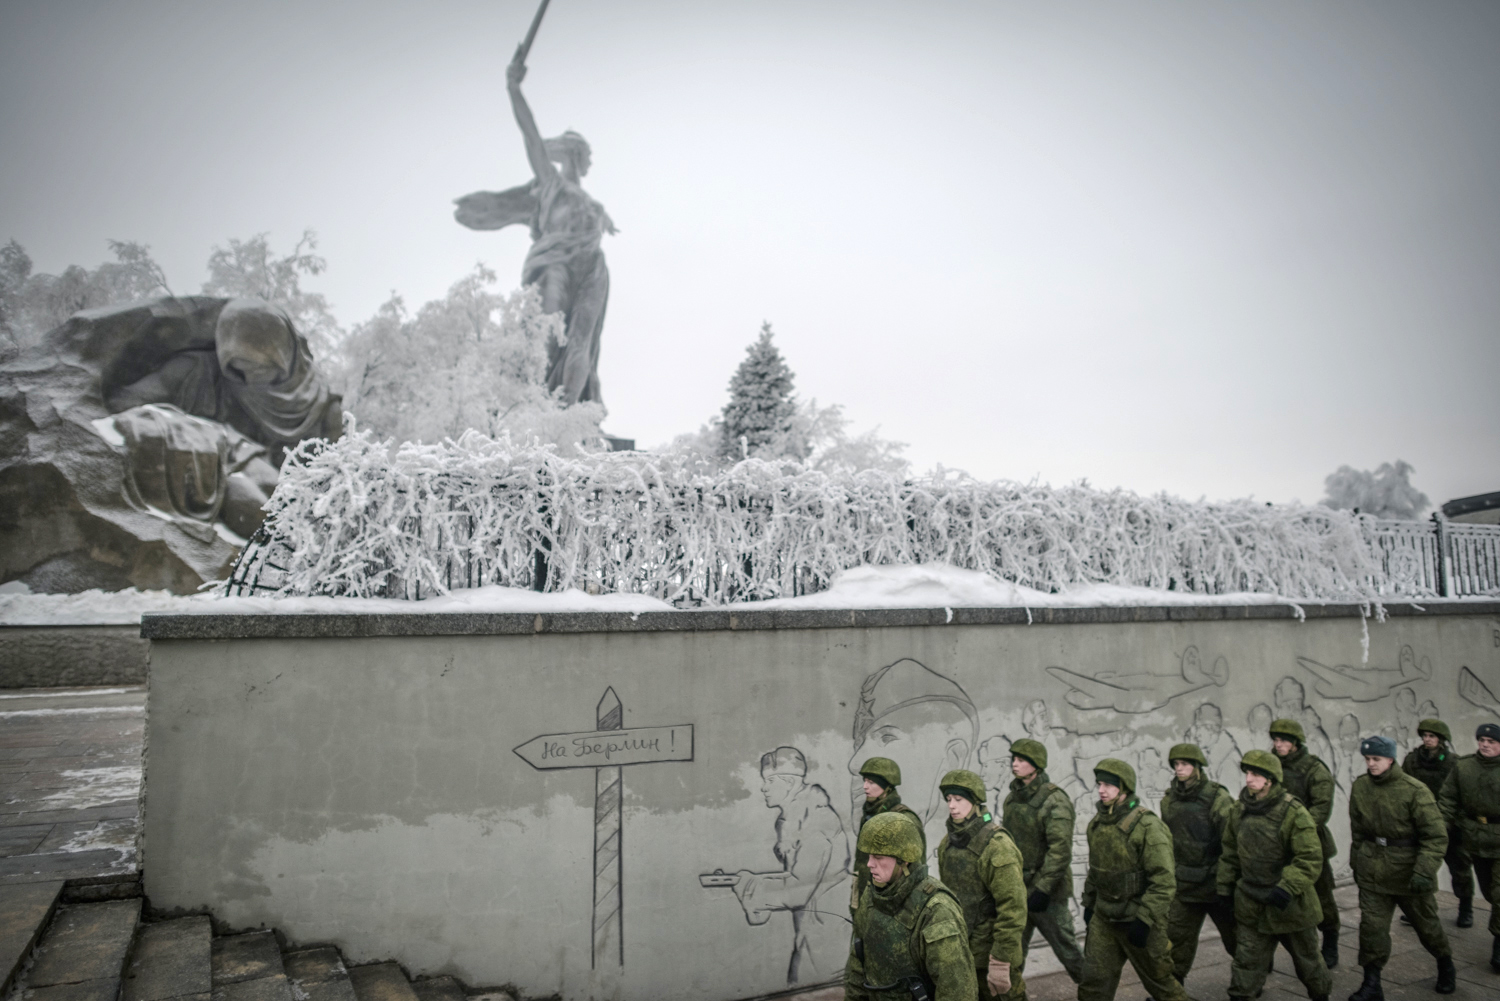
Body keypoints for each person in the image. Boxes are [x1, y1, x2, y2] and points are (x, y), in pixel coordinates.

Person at [714, 747, 851, 984]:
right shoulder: (793, 819)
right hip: (813, 924)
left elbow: (800, 887)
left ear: (788, 782)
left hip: (827, 929)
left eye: (769, 781)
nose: (763, 788)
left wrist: (751, 885)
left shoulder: (814, 819)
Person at [1347, 735, 1456, 1000]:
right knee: (1371, 928)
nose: (1371, 764)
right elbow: (1358, 830)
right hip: (1373, 869)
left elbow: (1436, 836)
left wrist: (1423, 871)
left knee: (1427, 927)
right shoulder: (1361, 786)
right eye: (1368, 759)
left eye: (1377, 759)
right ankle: (1372, 983)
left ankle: (1445, 963)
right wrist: (1357, 862)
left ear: (1391, 759)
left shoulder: (1414, 790)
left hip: (1408, 873)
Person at [1218, 750, 1331, 1001]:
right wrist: (1224, 888)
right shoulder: (1239, 810)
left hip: (1290, 905)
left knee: (1309, 963)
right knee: (1246, 964)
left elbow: (1310, 858)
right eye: (1247, 773)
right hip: (1251, 902)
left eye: (1256, 774)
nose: (1249, 779)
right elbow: (1230, 853)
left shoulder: (1293, 812)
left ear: (1270, 779)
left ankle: (1321, 996)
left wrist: (1287, 887)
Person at [1078, 758, 1187, 1001]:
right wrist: (1089, 904)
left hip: (1138, 919)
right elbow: (1095, 872)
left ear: (1124, 787)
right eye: (1099, 784)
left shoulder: (1148, 826)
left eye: (1108, 785)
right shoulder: (1097, 825)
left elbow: (1164, 880)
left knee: (1162, 984)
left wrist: (1145, 919)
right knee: (1092, 984)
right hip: (1105, 918)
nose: (1101, 790)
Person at [844, 812, 976, 1001]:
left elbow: (957, 990)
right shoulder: (871, 897)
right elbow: (857, 967)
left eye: (878, 857)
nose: (870, 864)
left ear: (903, 859)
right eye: (869, 856)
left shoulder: (936, 910)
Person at [935, 769, 1027, 1001]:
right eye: (949, 800)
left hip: (992, 954)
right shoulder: (947, 845)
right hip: (962, 953)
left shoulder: (997, 846)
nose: (952, 806)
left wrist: (1000, 961)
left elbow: (1013, 908)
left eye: (959, 799)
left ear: (975, 802)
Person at [1001, 738, 1085, 983]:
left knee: (1068, 951)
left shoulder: (1055, 800)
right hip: (1019, 890)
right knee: (1011, 954)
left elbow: (1060, 851)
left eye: (1021, 760)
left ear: (1036, 766)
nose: (1015, 764)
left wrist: (1043, 889)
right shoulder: (1012, 799)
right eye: (1013, 759)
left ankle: (1095, 993)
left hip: (1048, 895)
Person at [1160, 743, 1237, 986]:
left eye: (1185, 764)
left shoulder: (1218, 798)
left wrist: (1227, 882)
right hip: (1184, 885)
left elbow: (1232, 842)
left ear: (1197, 767)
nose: (1179, 769)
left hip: (1216, 884)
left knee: (1237, 939)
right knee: (1176, 940)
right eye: (1176, 765)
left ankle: (1249, 982)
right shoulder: (1169, 800)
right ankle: (1173, 989)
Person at [1270, 717, 1341, 968]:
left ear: (1296, 743)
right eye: (1276, 740)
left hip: (1310, 843)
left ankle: (1330, 939)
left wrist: (1296, 831)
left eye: (1283, 741)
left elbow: (1321, 808)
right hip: (1276, 844)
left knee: (1322, 896)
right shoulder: (1271, 766)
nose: (1278, 745)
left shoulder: (1314, 769)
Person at [1437, 722, 1500, 974]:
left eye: (1491, 741)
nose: (1485, 745)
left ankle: (1499, 943)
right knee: (1489, 892)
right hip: (1474, 838)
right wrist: (1440, 828)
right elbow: (1448, 800)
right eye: (1481, 740)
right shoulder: (1463, 767)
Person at [1402, 719, 1473, 928]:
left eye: (1432, 736)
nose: (1427, 739)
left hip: (1451, 826)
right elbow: (1404, 788)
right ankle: (1420, 911)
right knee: (1421, 867)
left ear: (1441, 739)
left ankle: (1466, 908)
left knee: (1460, 869)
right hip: (1421, 825)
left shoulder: (1453, 763)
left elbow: (1461, 796)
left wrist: (1449, 822)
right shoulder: (1412, 761)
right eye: (1424, 736)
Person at [853, 757, 926, 906]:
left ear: (887, 787)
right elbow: (861, 863)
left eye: (871, 782)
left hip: (893, 906)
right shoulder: (868, 817)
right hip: (867, 899)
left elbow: (916, 870)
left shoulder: (903, 820)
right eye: (865, 781)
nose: (865, 787)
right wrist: (856, 903)